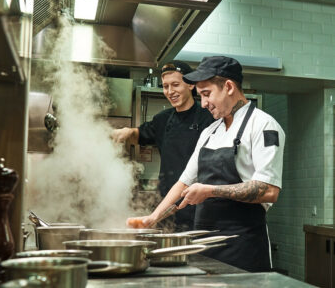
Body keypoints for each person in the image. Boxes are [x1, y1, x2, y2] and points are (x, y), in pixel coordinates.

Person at [126, 56, 285, 272]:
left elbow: (269, 190)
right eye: (200, 96)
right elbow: (184, 182)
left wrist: (210, 191)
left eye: (207, 94)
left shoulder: (263, 125)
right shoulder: (210, 132)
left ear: (228, 87)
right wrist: (153, 218)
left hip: (243, 244)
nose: (203, 103)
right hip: (205, 243)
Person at [113, 60, 215, 231]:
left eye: (175, 85)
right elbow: (138, 134)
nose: (169, 91)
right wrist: (126, 132)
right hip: (167, 205)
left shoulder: (208, 117)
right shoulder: (163, 119)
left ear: (190, 85)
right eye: (165, 86)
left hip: (199, 206)